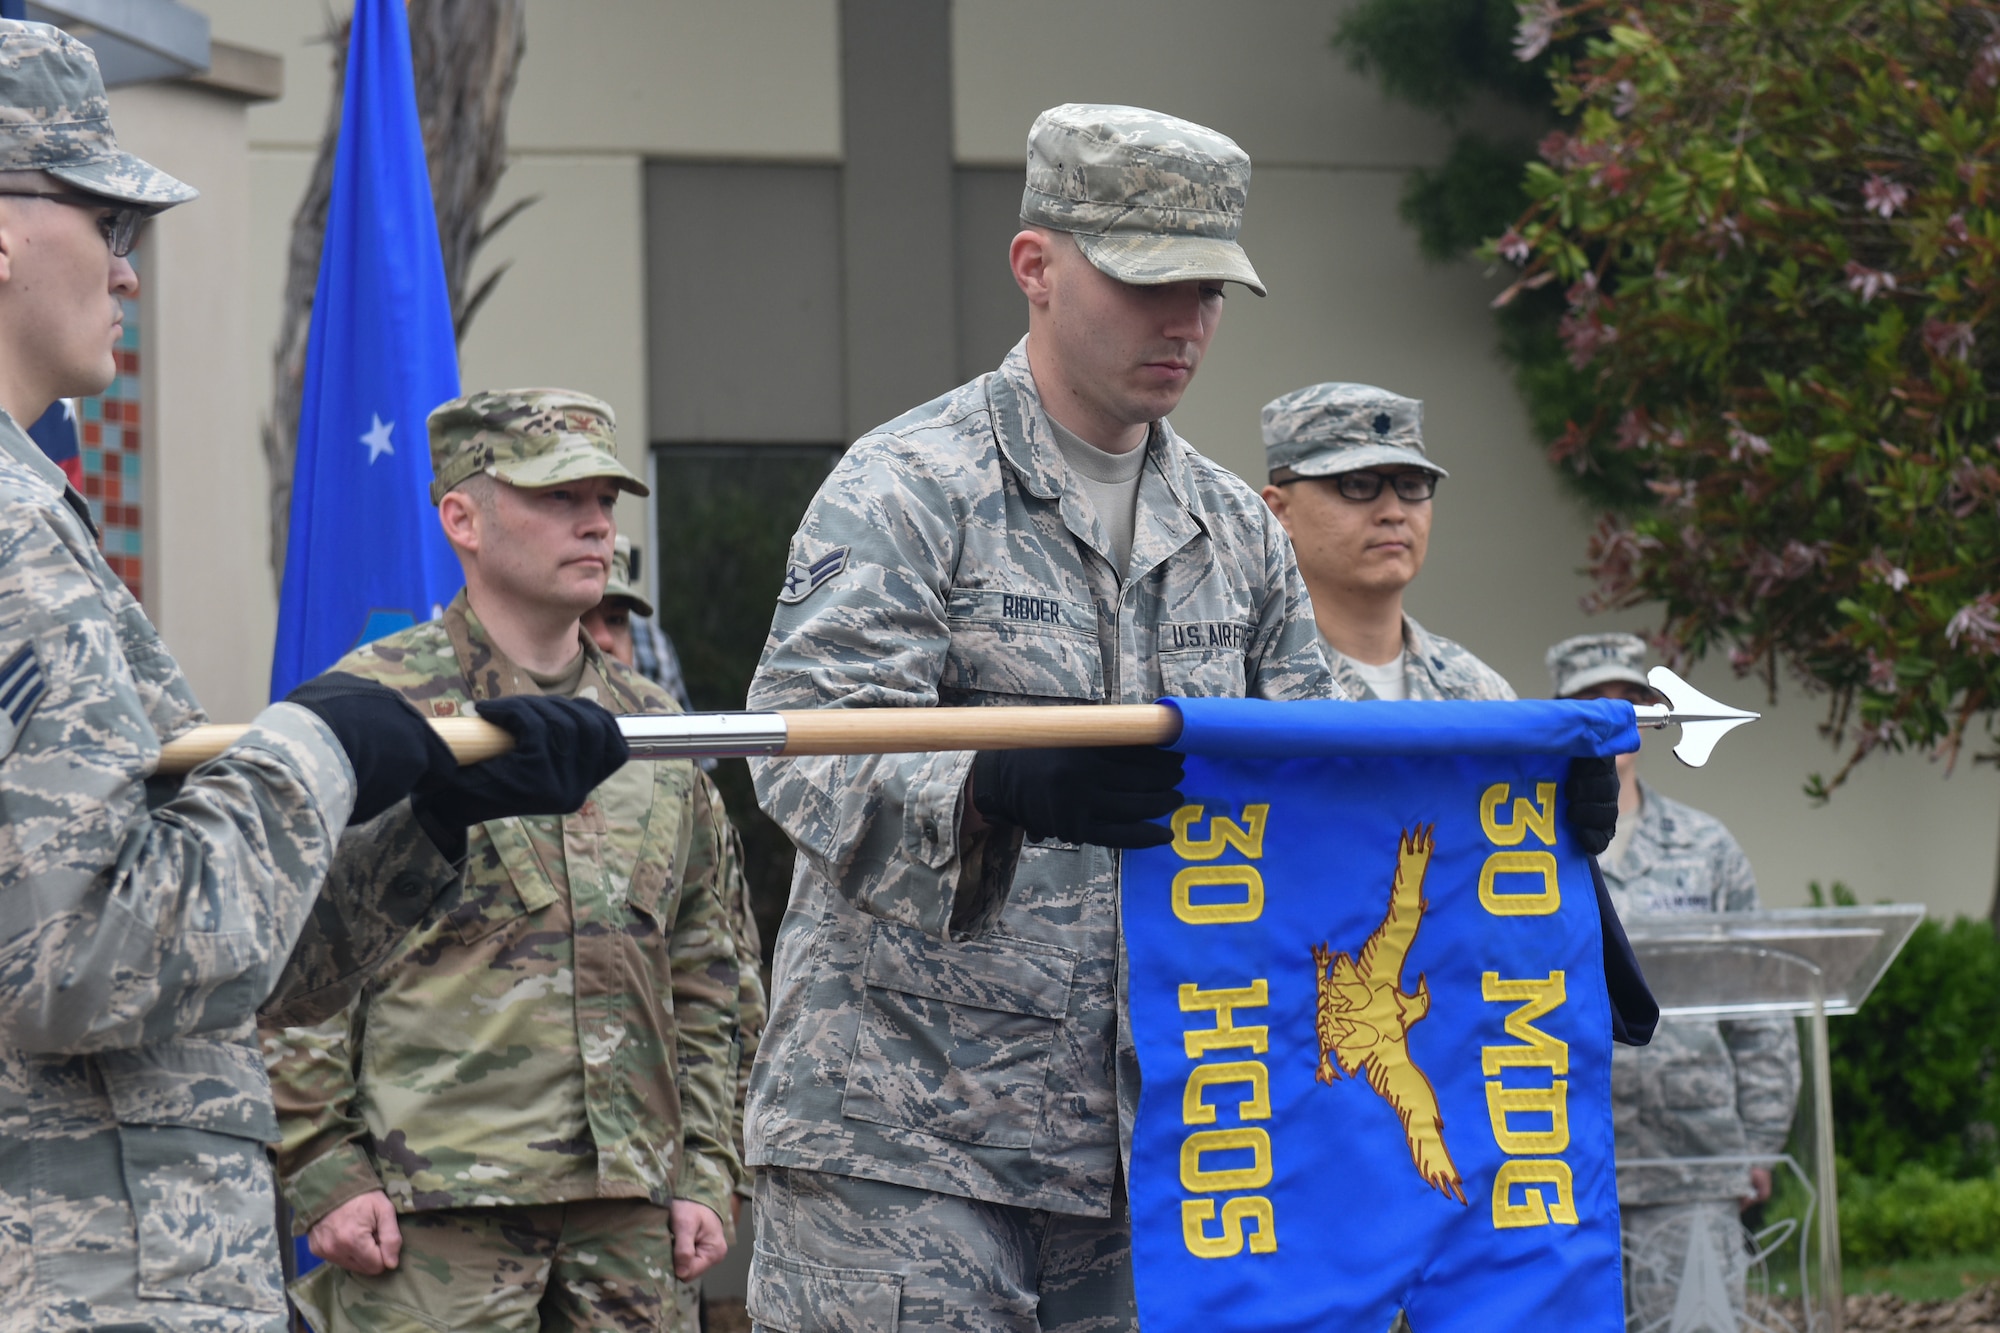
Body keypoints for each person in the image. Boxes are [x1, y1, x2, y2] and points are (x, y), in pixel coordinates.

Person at [742, 102, 1628, 1331]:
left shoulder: (1236, 532)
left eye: (1210, 288)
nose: (1185, 321)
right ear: (1035, 268)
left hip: (1164, 1147)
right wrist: (988, 783)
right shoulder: (907, 485)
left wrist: (1522, 816)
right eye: (1147, 282)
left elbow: (1329, 798)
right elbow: (796, 748)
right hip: (906, 1142)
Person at [0, 26, 627, 1332]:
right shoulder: (9, 534)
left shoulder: (36, 517)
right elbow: (77, 965)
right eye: (105, 218)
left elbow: (207, 966)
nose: (128, 270)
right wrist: (313, 750)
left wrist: (425, 825)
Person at [261, 390, 741, 1332]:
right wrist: (323, 1167)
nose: (597, 520)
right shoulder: (368, 712)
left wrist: (708, 1170)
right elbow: (286, 955)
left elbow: (712, 964)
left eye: (605, 496)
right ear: (462, 517)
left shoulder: (655, 731)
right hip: (429, 1218)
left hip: (632, 1221)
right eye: (559, 495)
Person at [1549, 633, 1800, 1331]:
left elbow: (1760, 1002)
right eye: (1590, 702)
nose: (1613, 716)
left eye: (1629, 699)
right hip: (1558, 1160)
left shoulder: (1705, 845)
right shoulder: (1523, 842)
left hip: (1693, 1162)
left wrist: (1756, 1142)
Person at [586, 530, 766, 1333]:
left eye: (616, 624)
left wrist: (715, 1165)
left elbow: (731, 993)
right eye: (586, 622)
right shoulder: (464, 755)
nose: (600, 642)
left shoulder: (684, 793)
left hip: (644, 1201)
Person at [1259, 382, 1515, 702]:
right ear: (1280, 510)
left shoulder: (1478, 694)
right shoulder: (1247, 682)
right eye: (1357, 484)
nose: (1394, 512)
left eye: (1411, 484)